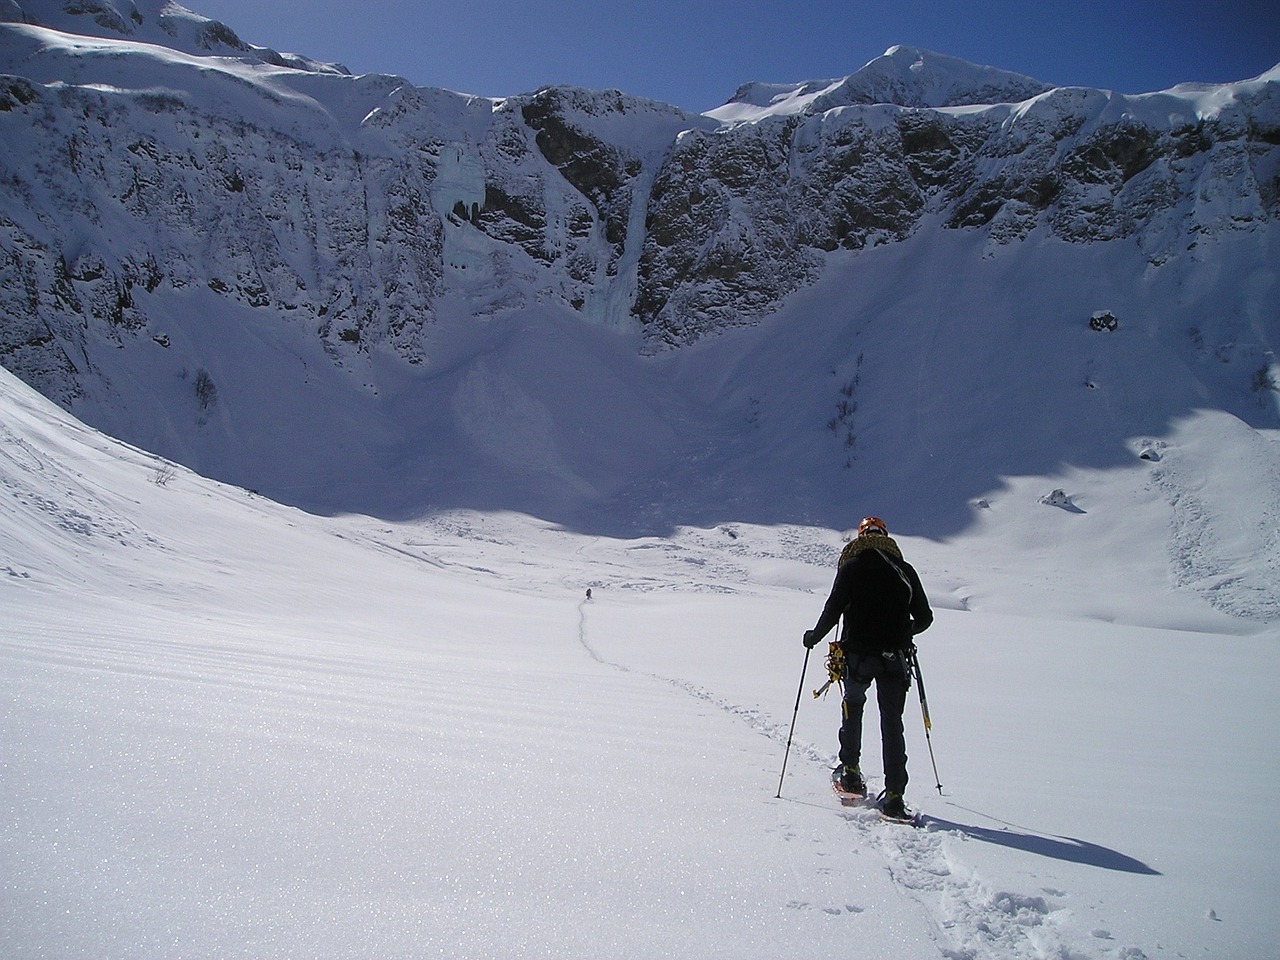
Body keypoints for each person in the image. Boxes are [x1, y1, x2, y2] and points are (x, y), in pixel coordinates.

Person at [803, 516, 933, 819]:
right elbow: (925, 618)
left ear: (860, 538)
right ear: (886, 537)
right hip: (895, 659)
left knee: (853, 708)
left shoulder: (851, 568)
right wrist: (903, 632)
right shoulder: (905, 571)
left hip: (857, 656)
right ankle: (895, 797)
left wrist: (813, 637)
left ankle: (850, 772)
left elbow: (833, 610)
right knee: (892, 723)